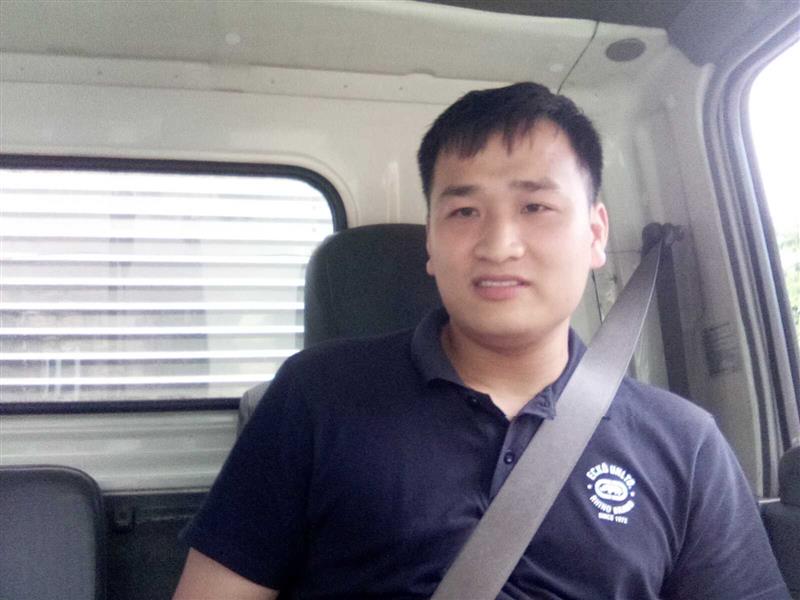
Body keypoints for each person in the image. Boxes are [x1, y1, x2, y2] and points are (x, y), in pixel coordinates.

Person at [173, 82, 790, 599]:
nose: (499, 245)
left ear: (596, 233)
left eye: (536, 207)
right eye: (464, 212)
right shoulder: (315, 396)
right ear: (431, 243)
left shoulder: (685, 445)